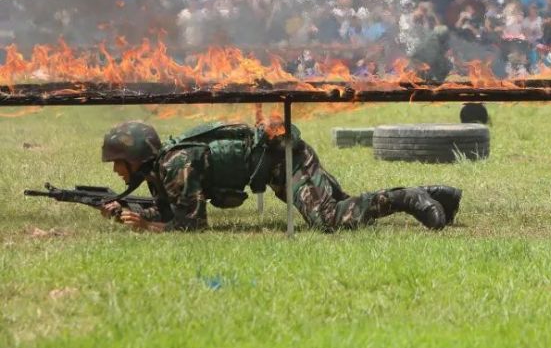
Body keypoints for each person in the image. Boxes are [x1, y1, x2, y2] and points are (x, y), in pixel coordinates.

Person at [98, 120, 462, 232]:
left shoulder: (175, 165)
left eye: (119, 162)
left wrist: (147, 227)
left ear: (137, 157)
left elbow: (191, 224)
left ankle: (408, 198)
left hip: (286, 161)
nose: (116, 170)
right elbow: (171, 211)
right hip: (277, 166)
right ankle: (434, 193)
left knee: (329, 219)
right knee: (343, 207)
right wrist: (126, 211)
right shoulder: (162, 168)